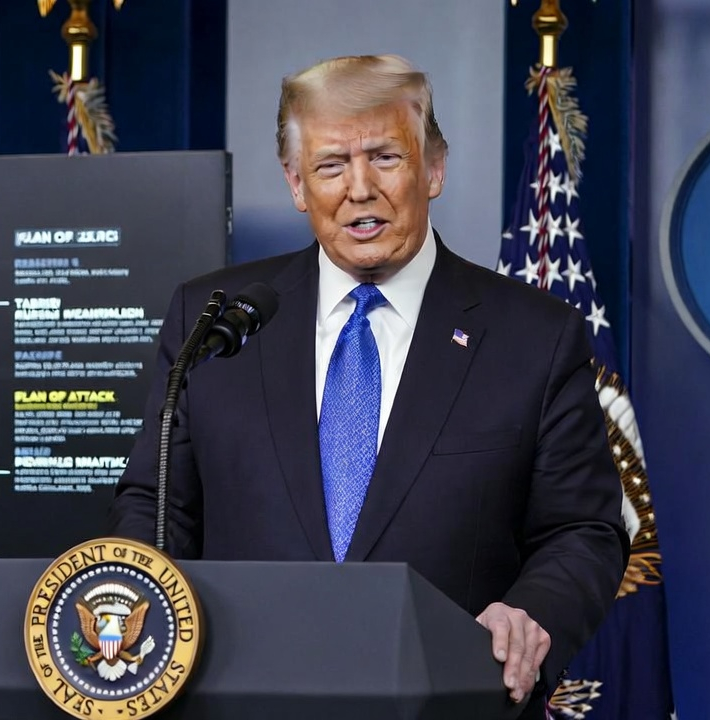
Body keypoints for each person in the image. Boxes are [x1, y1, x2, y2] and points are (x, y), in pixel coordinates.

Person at [106, 54, 629, 712]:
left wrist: (530, 614)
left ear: (433, 168)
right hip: (242, 697)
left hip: (449, 700)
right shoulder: (212, 320)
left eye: (385, 157)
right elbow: (157, 504)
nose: (360, 189)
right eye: (330, 165)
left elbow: (582, 530)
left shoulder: (534, 336)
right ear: (297, 183)